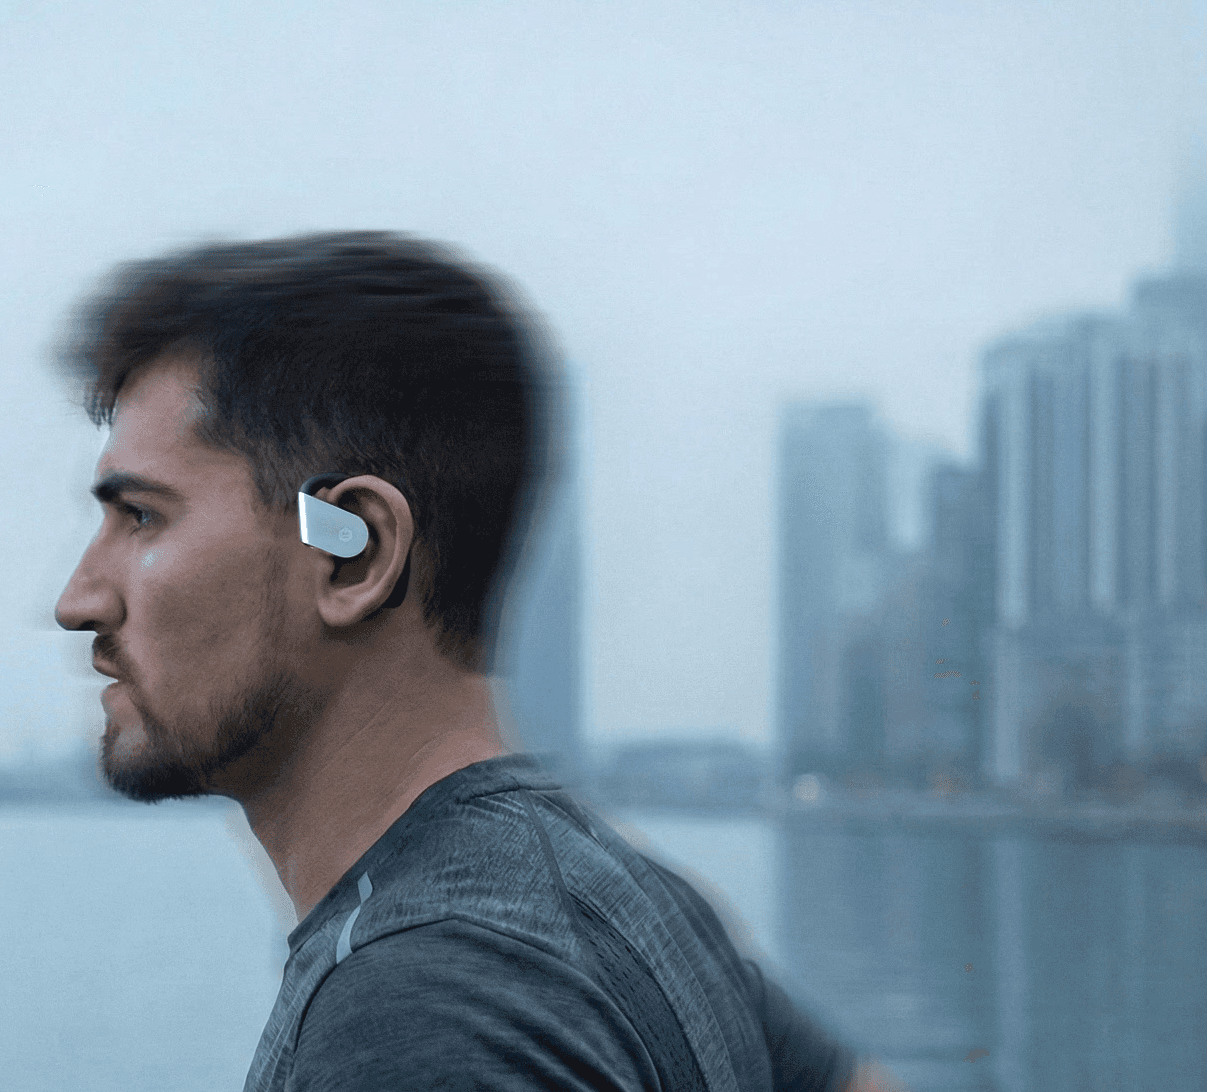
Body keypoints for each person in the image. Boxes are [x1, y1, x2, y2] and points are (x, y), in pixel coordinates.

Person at [54, 233, 898, 1092]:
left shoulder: (417, 1014)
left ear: (354, 554)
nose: (78, 599)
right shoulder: (635, 897)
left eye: (143, 518)